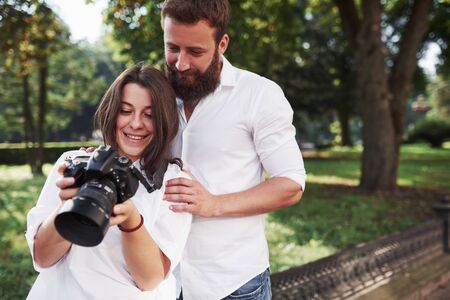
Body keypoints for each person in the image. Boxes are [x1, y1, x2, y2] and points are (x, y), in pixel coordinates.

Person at [160, 1, 307, 299]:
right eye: (173, 48)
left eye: (196, 52)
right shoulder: (155, 94)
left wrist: (213, 204)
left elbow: (290, 185)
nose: (181, 63)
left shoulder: (259, 95)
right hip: (161, 281)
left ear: (222, 43)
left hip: (233, 285)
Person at [25, 64, 192, 300]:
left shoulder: (173, 182)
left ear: (164, 119)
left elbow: (149, 280)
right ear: (111, 112)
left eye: (150, 114)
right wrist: (68, 205)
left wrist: (132, 221)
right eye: (125, 110)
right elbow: (42, 257)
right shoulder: (73, 163)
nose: (136, 123)